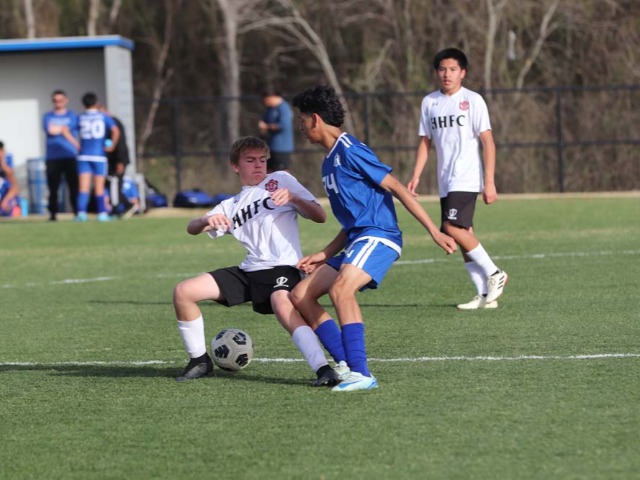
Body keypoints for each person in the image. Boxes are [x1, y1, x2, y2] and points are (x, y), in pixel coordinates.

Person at [290, 86, 457, 392]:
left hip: (379, 236)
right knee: (300, 295)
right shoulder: (328, 162)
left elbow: (397, 187)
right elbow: (352, 221)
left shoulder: (350, 150)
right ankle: (345, 363)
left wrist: (434, 231)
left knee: (341, 290)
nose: (300, 126)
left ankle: (362, 373)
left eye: (301, 120)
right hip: (358, 239)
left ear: (315, 119)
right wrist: (324, 254)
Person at [173, 136, 340, 387]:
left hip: (283, 267)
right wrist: (206, 221)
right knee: (184, 292)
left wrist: (294, 198)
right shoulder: (230, 205)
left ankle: (323, 369)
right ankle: (199, 361)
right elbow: (192, 228)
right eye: (250, 160)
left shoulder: (281, 180)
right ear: (235, 166)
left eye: (262, 160)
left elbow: (320, 216)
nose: (259, 165)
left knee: (281, 303)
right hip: (249, 271)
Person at [407, 48, 508, 310]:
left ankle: (495, 273)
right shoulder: (430, 102)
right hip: (445, 180)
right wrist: (416, 175)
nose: (447, 74)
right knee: (464, 234)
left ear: (462, 72)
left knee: (450, 228)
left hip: (466, 176)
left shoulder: (473, 100)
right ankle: (484, 294)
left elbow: (488, 142)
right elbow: (425, 142)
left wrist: (489, 181)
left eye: (452, 69)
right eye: (442, 69)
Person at [75, 92, 120, 222]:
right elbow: (116, 130)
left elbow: (67, 130)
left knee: (83, 187)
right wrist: (112, 146)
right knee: (99, 187)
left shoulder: (81, 117)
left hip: (83, 156)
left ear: (84, 104)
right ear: (96, 103)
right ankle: (102, 214)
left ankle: (81, 213)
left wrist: (76, 144)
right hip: (99, 156)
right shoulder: (103, 116)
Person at [42, 89, 80, 221]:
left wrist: (60, 130)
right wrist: (62, 129)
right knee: (53, 187)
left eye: (60, 100)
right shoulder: (47, 116)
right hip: (53, 157)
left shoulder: (72, 116)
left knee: (73, 186)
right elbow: (51, 130)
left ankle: (77, 212)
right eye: (55, 101)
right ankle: (53, 213)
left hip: (70, 155)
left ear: (66, 101)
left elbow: (64, 130)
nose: (58, 103)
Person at [100, 104, 133, 216]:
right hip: (111, 160)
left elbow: (120, 144)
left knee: (115, 184)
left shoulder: (114, 124)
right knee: (111, 184)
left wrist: (120, 161)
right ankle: (126, 205)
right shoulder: (106, 125)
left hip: (118, 160)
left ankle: (119, 208)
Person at [258, 89, 294, 173]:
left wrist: (266, 127)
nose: (266, 102)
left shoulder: (284, 108)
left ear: (273, 97)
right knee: (268, 172)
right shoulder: (269, 109)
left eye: (267, 100)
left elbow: (284, 125)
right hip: (270, 147)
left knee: (282, 173)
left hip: (282, 148)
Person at [0, 141, 20, 216]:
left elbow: (14, 186)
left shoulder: (6, 180)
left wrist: (2, 162)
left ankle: (15, 209)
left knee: (6, 210)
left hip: (6, 194)